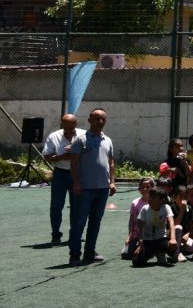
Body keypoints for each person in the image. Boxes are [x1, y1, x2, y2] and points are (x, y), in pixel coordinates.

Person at [69, 108, 116, 266]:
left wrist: (112, 182)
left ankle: (90, 252)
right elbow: (74, 164)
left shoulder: (108, 140)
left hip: (102, 189)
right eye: (97, 118)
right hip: (85, 189)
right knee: (79, 221)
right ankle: (75, 254)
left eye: (103, 119)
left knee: (95, 222)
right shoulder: (80, 140)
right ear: (89, 120)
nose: (100, 122)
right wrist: (76, 183)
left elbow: (111, 163)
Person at [43, 113, 84, 245]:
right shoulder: (53, 136)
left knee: (77, 206)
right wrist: (63, 156)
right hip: (60, 174)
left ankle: (75, 234)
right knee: (56, 205)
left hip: (78, 174)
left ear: (76, 125)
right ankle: (56, 234)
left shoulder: (84, 136)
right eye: (66, 128)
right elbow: (47, 157)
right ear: (62, 125)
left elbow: (91, 153)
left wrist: (76, 153)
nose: (68, 131)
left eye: (71, 128)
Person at [132, 188, 176, 267]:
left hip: (161, 238)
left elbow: (171, 223)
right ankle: (152, 253)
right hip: (147, 240)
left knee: (173, 248)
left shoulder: (166, 207)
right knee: (136, 261)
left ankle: (160, 253)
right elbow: (139, 227)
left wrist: (173, 238)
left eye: (154, 197)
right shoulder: (145, 209)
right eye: (150, 196)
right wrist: (140, 243)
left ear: (161, 200)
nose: (150, 199)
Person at [122, 178, 153, 259]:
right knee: (127, 255)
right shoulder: (135, 203)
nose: (145, 189)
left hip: (151, 234)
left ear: (153, 188)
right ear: (139, 189)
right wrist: (129, 236)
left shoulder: (155, 202)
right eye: (142, 187)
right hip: (137, 234)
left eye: (148, 186)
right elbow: (131, 220)